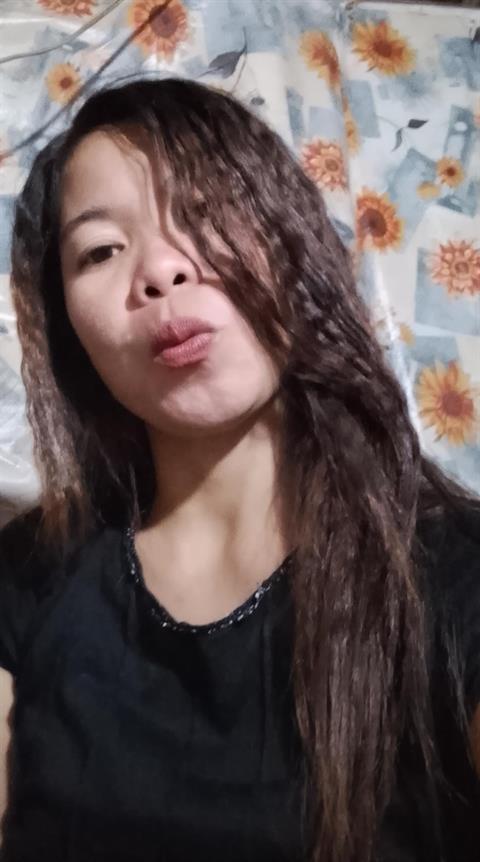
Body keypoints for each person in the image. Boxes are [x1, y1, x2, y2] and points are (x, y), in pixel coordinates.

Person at [0, 77, 479, 862]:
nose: (161, 270)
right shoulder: (29, 576)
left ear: (291, 245)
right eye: (101, 250)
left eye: (202, 211)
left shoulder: (452, 573)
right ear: (70, 330)